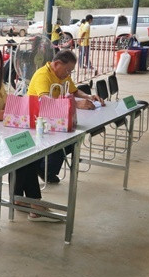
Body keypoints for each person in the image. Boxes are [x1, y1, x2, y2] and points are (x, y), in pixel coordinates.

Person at [0, 43, 55, 221]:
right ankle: (33, 202)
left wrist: (10, 111)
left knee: (27, 148)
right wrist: (8, 112)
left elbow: (10, 106)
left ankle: (21, 198)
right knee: (23, 151)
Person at [28, 49, 104, 183]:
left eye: (71, 71)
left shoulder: (63, 75)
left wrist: (89, 97)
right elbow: (45, 101)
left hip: (56, 117)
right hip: (39, 119)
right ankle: (44, 169)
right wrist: (76, 104)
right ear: (57, 63)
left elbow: (74, 91)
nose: (68, 74)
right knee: (65, 140)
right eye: (67, 70)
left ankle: (46, 169)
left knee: (73, 139)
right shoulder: (43, 75)